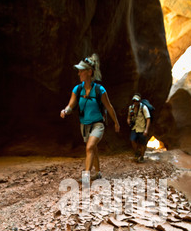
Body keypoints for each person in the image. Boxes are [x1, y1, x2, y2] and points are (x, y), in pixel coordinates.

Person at [60, 53, 120, 181]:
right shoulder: (77, 89)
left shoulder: (100, 90)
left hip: (98, 124)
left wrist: (116, 123)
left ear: (89, 72)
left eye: (81, 71)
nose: (79, 74)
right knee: (93, 149)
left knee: (89, 147)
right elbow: (71, 105)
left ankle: (86, 176)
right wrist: (65, 110)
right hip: (84, 125)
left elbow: (109, 107)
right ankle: (98, 173)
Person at [127, 93, 150, 162]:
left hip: (142, 128)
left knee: (142, 143)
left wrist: (146, 130)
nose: (135, 102)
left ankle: (142, 156)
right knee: (132, 140)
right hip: (134, 127)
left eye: (136, 101)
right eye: (134, 101)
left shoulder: (144, 108)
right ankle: (137, 153)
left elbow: (148, 118)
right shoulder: (131, 108)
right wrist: (128, 120)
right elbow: (128, 117)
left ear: (139, 101)